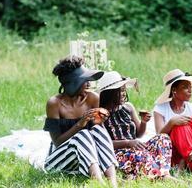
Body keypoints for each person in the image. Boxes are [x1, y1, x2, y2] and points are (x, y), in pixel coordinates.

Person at [43, 56, 118, 187]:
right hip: (59, 159)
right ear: (72, 83)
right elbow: (57, 142)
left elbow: (99, 136)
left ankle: (113, 182)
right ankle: (99, 183)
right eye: (85, 80)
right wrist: (80, 124)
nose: (89, 84)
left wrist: (100, 122)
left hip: (86, 157)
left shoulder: (93, 98)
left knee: (97, 130)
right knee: (83, 134)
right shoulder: (54, 104)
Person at [98, 71, 173, 180]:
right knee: (139, 154)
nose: (124, 93)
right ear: (110, 93)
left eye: (124, 90)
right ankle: (157, 175)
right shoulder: (101, 114)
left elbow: (138, 134)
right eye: (120, 91)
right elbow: (104, 143)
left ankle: (164, 173)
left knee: (163, 138)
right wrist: (128, 143)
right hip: (118, 153)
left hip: (134, 146)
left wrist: (143, 122)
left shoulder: (128, 107)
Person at [153, 69, 192, 180]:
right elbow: (159, 137)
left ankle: (184, 162)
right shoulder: (160, 109)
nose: (190, 90)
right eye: (185, 87)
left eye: (190, 87)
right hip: (171, 155)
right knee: (179, 126)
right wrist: (171, 122)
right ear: (174, 90)